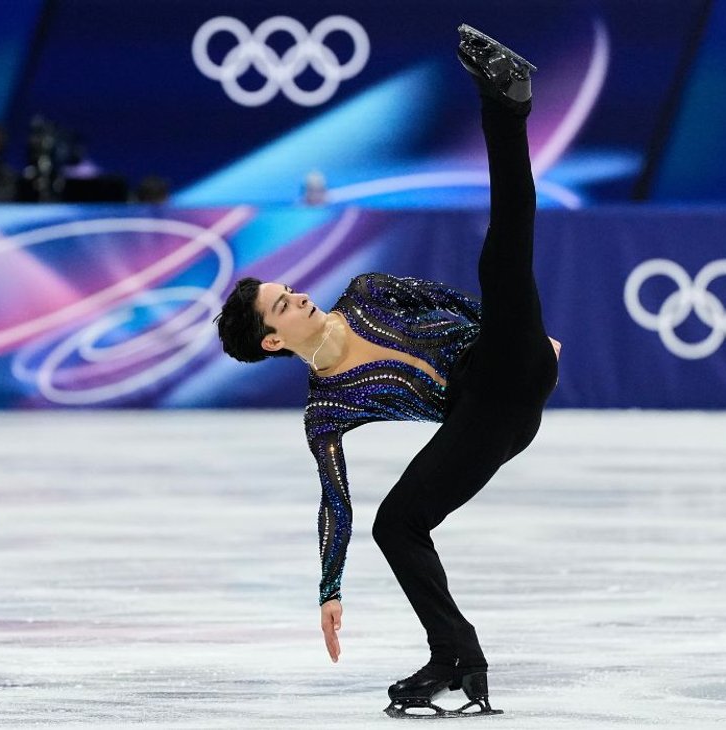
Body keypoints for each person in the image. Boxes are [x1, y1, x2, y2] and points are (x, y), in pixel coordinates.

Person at [214, 25, 559, 719]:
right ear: (276, 340)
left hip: (501, 360)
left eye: (289, 286)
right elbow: (335, 502)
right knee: (396, 523)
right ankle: (458, 654)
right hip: (485, 420)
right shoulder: (325, 410)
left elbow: (457, 299)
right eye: (285, 303)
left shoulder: (367, 290)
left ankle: (506, 103)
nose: (300, 293)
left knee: (500, 261)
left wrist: (519, 332)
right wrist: (329, 587)